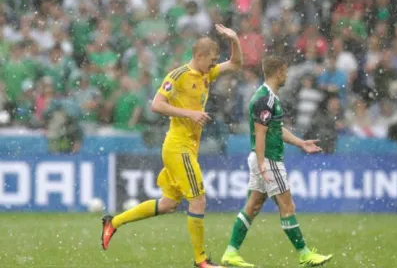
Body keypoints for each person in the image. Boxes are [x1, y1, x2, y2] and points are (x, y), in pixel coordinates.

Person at [100, 24, 243, 268]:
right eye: (211, 60)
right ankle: (201, 261)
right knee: (198, 200)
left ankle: (113, 222)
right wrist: (189, 113)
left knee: (167, 204)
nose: (213, 64)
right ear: (199, 56)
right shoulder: (178, 76)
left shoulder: (207, 74)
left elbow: (236, 64)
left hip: (188, 147)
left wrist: (235, 39)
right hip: (178, 147)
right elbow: (156, 105)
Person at [221, 56, 333, 267]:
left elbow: (275, 129)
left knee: (253, 206)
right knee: (287, 206)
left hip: (261, 159)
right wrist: (263, 164)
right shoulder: (266, 99)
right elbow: (261, 133)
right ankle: (305, 254)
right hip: (269, 160)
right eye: (286, 71)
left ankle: (230, 252)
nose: (287, 75)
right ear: (279, 72)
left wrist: (301, 143)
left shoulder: (267, 96)